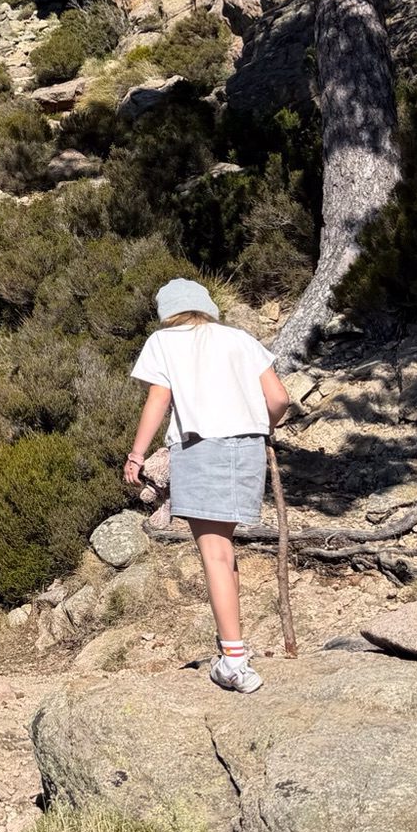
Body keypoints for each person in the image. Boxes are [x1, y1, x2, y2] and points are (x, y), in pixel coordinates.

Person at [125, 277, 291, 694]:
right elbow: (279, 399)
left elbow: (158, 400)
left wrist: (137, 454)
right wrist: (261, 426)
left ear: (167, 311)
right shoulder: (240, 339)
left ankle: (234, 661)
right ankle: (231, 647)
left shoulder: (164, 343)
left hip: (200, 448)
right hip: (248, 449)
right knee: (225, 550)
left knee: (213, 552)